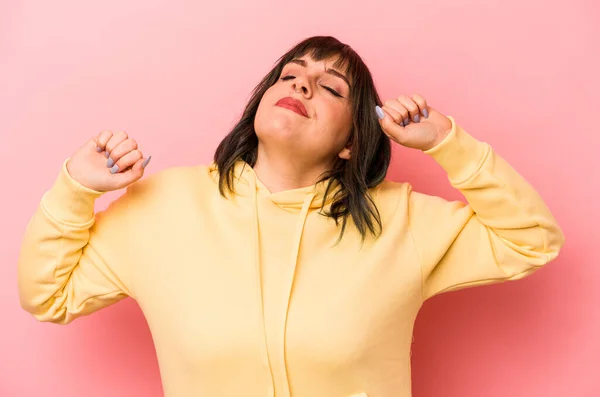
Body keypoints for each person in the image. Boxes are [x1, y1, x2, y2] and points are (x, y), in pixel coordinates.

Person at [17, 35, 564, 397]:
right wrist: (77, 189)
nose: (301, 84)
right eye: (290, 75)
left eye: (331, 87)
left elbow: (532, 240)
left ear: (353, 140)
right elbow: (48, 295)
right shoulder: (162, 206)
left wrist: (449, 142)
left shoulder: (400, 222)